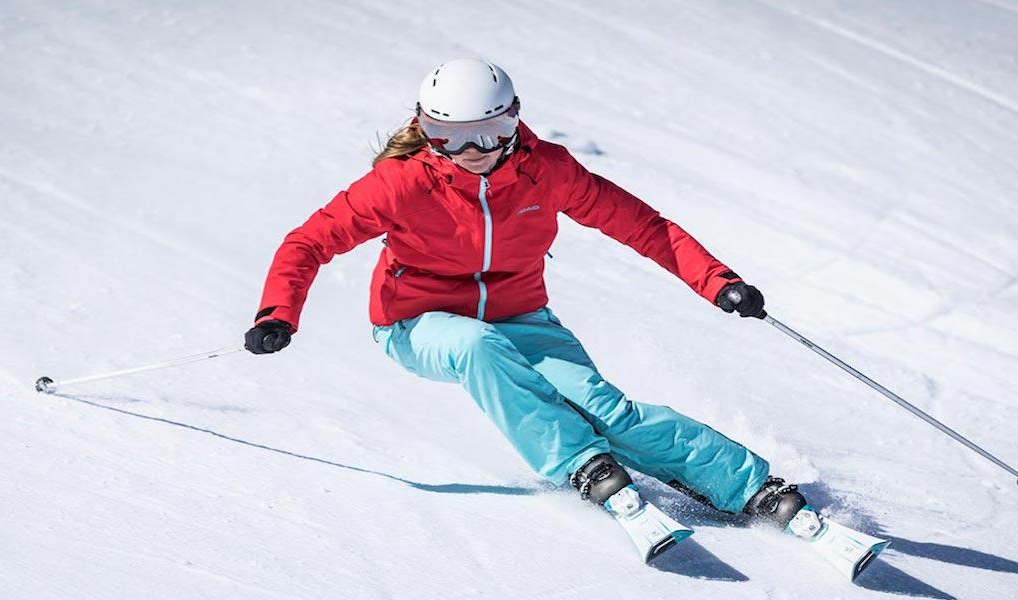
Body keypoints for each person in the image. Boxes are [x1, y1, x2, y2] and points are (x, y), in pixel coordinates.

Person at [245, 59, 807, 525]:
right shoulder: (402, 184)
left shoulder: (548, 172)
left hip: (522, 318)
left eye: (489, 132)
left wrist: (718, 281)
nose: (472, 150)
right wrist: (278, 314)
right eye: (449, 137)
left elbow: (644, 226)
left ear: (514, 119)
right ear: (425, 130)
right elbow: (307, 242)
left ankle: (744, 484)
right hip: (416, 324)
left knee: (608, 411)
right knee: (475, 345)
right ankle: (578, 462)